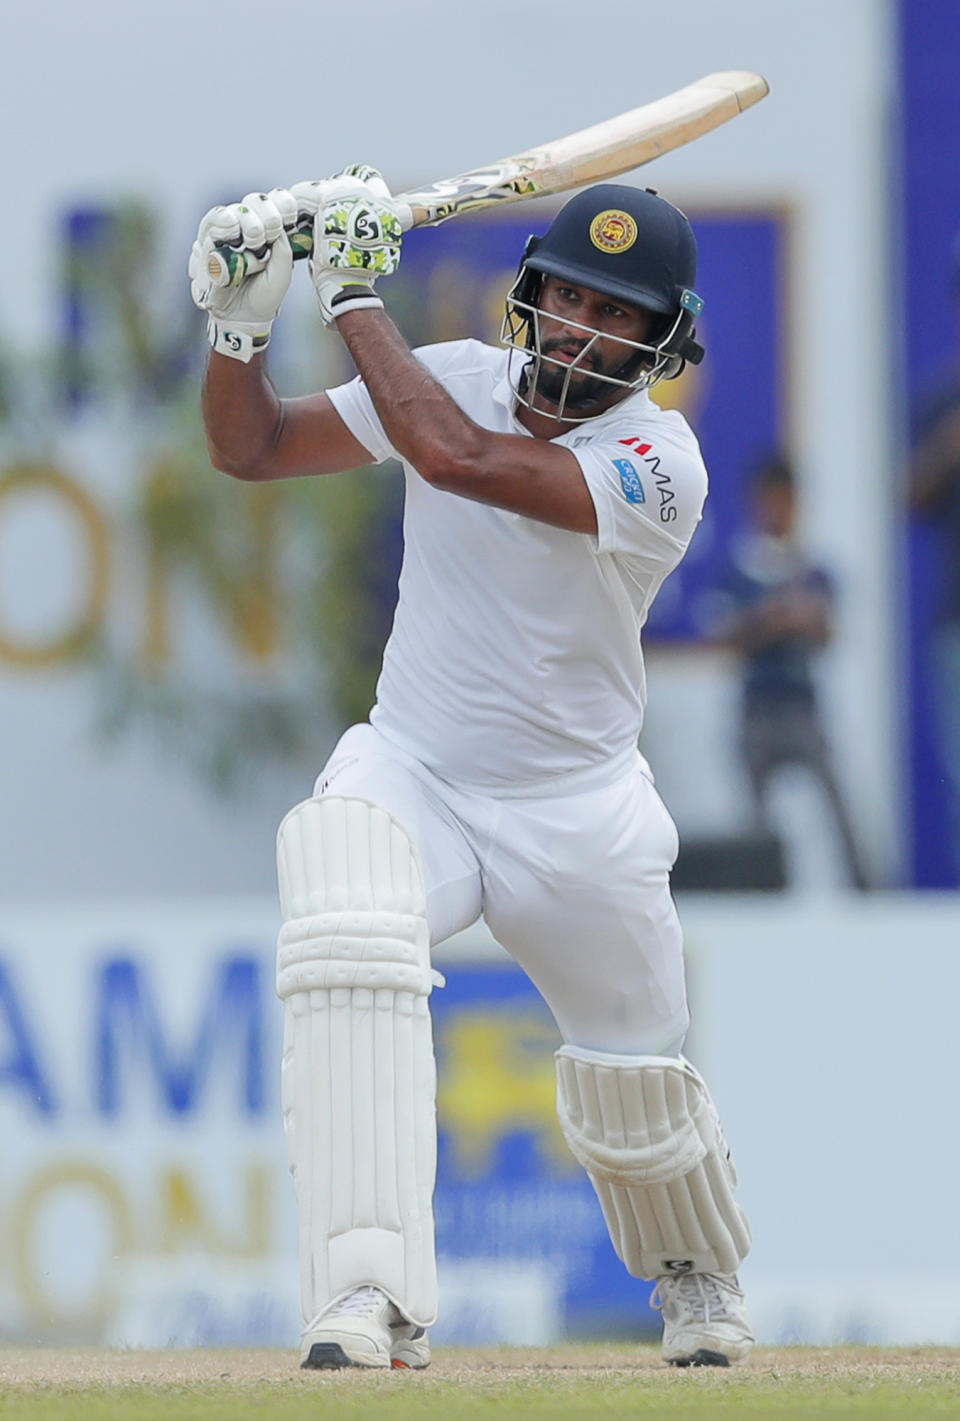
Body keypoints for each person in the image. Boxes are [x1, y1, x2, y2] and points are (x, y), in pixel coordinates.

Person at [190, 170, 754, 1370]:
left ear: (663, 343)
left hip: (580, 809)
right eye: (572, 299)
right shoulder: (443, 374)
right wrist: (240, 327)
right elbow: (254, 447)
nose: (586, 333)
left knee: (634, 1078)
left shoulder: (662, 460)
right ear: (533, 295)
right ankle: (363, 1290)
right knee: (343, 915)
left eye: (620, 317)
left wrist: (349, 294)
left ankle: (694, 1273)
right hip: (419, 771)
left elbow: (457, 463)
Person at [702, 456, 869, 889]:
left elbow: (829, 632)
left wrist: (803, 619)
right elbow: (726, 637)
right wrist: (771, 620)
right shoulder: (739, 569)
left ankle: (867, 891)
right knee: (754, 820)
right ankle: (763, 892)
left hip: (803, 708)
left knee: (839, 808)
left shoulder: (812, 569)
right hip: (756, 707)